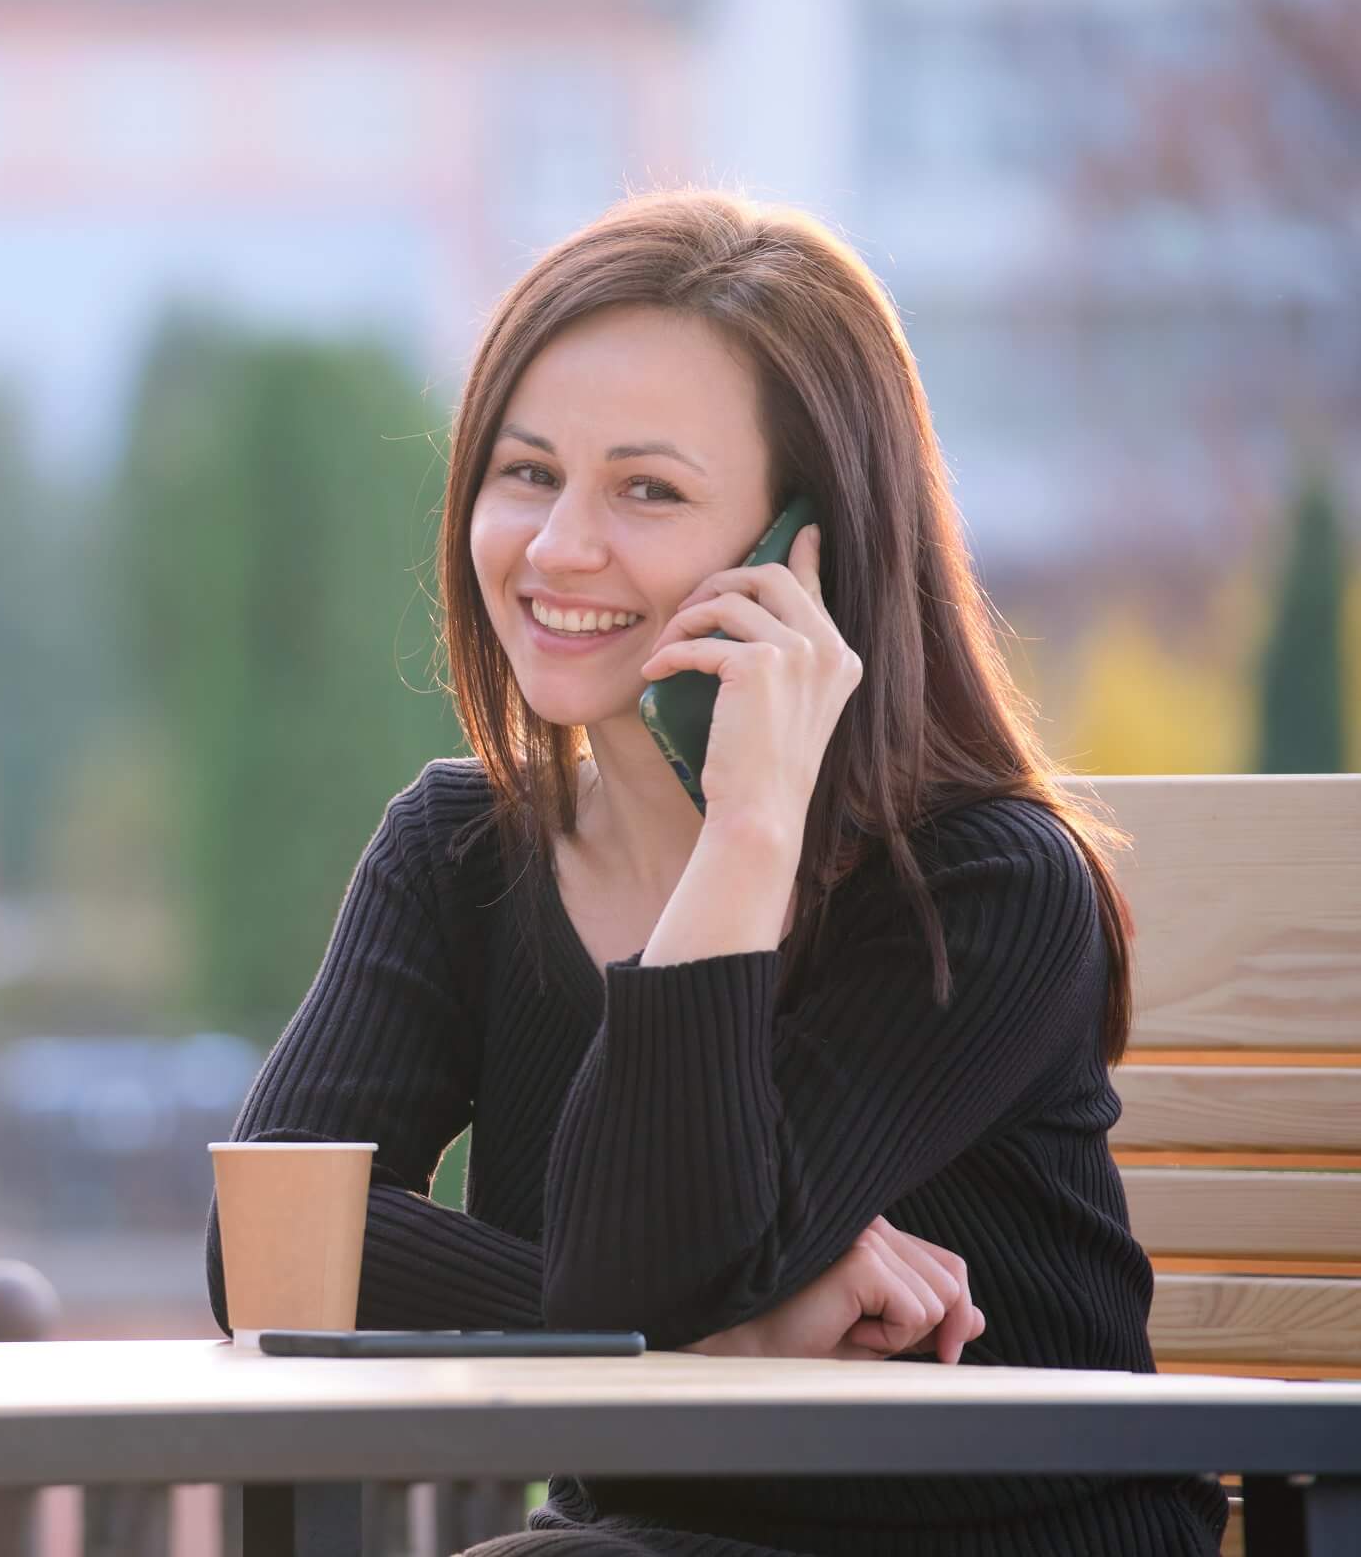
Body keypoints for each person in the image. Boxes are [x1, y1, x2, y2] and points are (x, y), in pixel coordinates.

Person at [207, 189, 1227, 1555]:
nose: (559, 545)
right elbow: (267, 1248)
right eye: (525, 472)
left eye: (647, 490)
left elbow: (649, 1262)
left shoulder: (983, 889)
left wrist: (748, 828)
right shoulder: (460, 851)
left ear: (805, 551)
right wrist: (731, 1323)